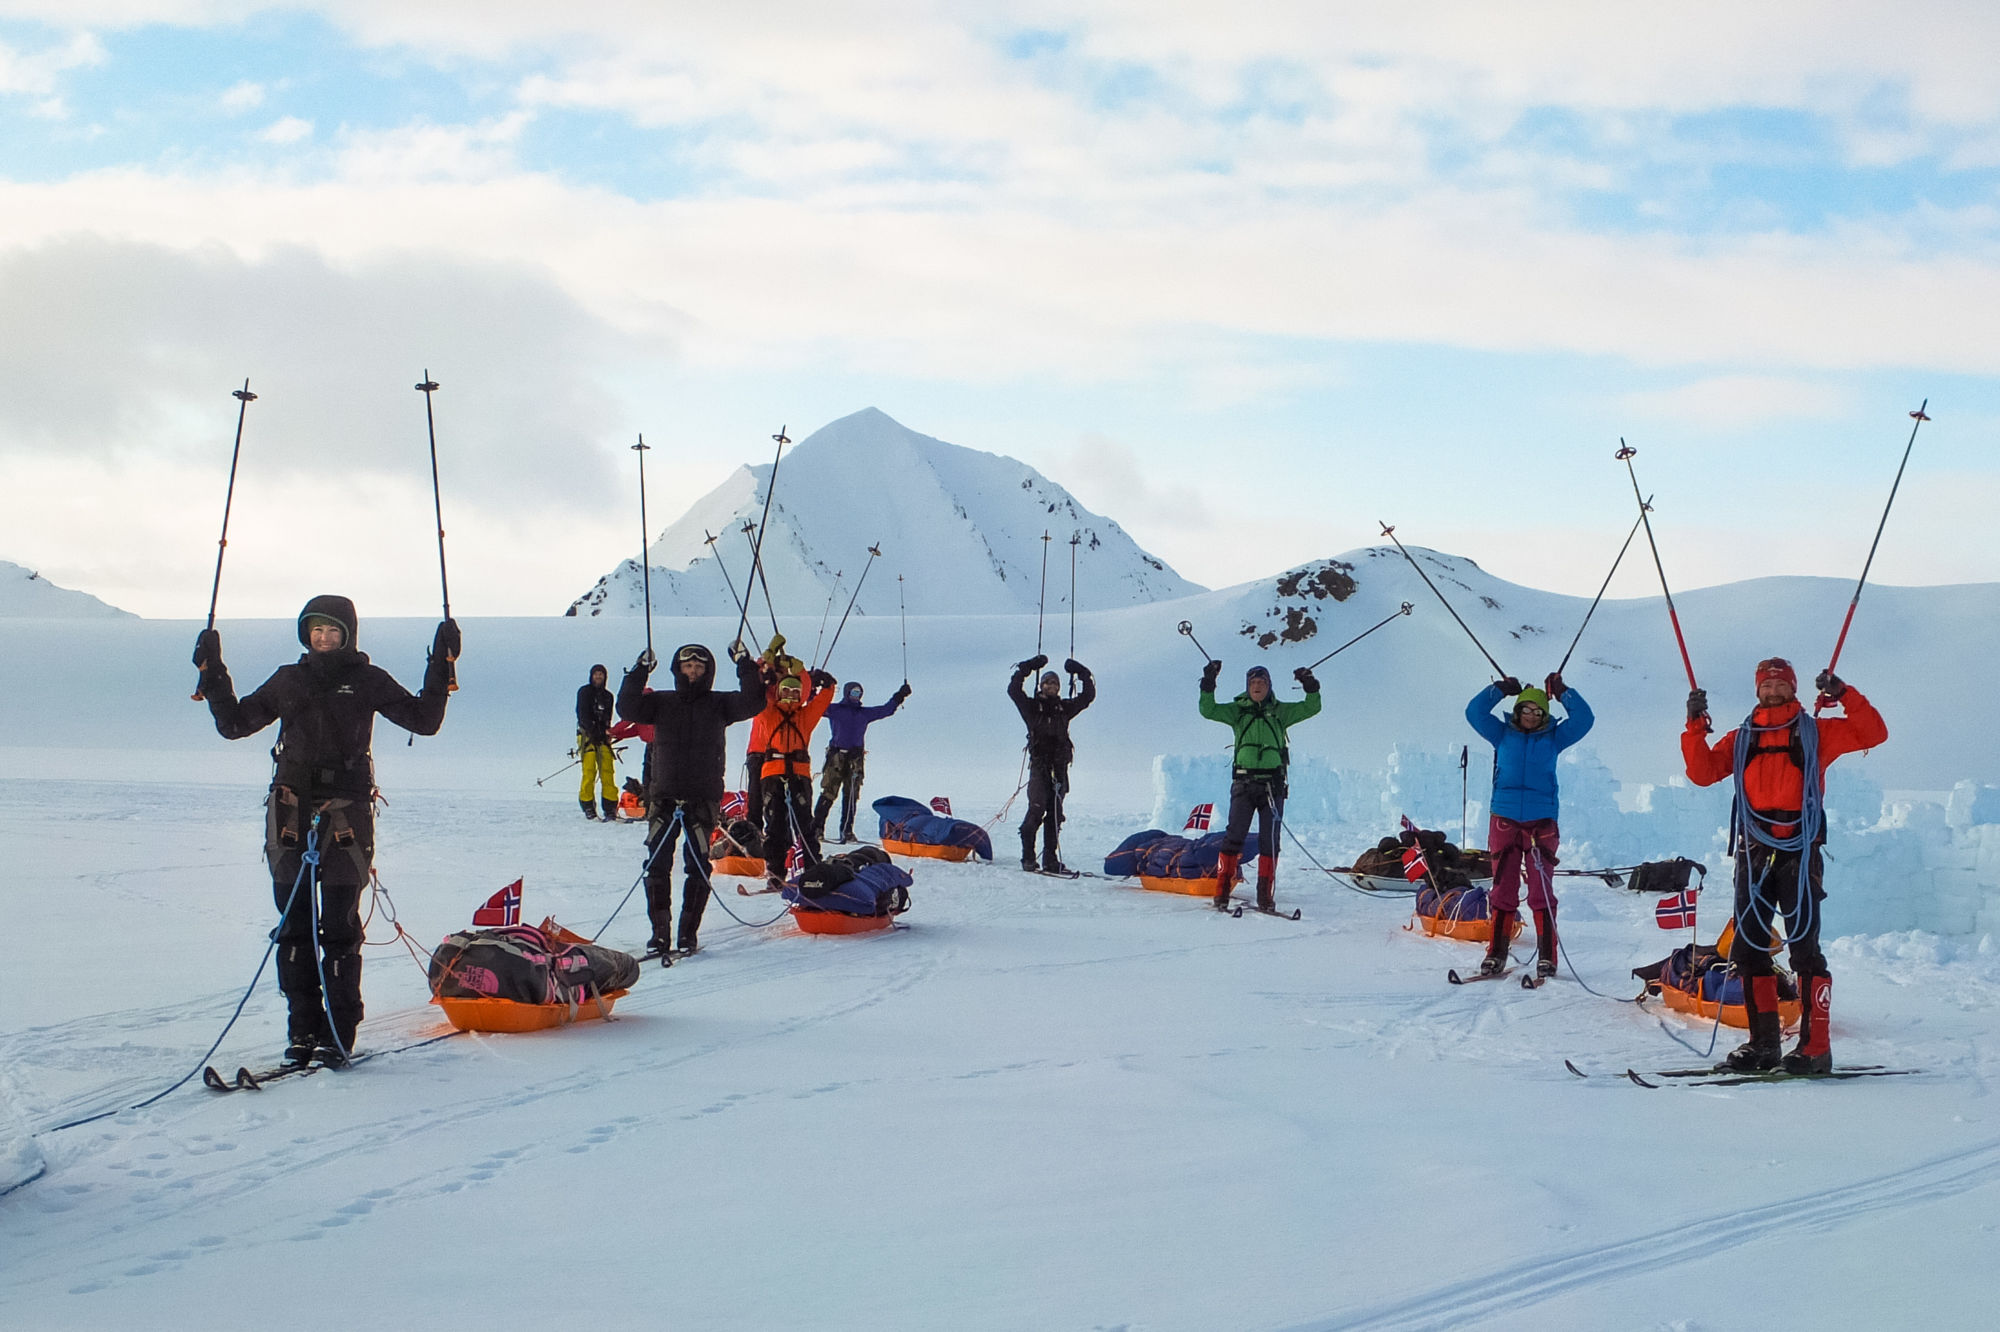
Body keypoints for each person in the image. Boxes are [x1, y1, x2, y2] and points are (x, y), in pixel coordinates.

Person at [193, 595, 457, 1066]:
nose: (323, 638)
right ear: (305, 634)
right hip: (289, 814)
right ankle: (301, 1033)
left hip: (346, 819)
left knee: (339, 929)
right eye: (315, 630)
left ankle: (337, 1033)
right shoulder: (288, 679)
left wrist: (441, 665)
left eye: (332, 631)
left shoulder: (367, 680)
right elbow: (234, 724)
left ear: (348, 634)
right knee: (293, 929)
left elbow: (425, 720)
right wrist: (214, 673)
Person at [1683, 658, 1886, 1072]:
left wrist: (1843, 693)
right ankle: (1763, 1046)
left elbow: (1874, 733)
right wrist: (1694, 728)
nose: (1773, 689)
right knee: (1748, 948)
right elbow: (1702, 773)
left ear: (1792, 688)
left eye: (1780, 683)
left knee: (1805, 951)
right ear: (1757, 690)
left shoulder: (1817, 732)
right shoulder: (1741, 738)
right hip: (1754, 852)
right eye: (1766, 683)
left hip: (1800, 849)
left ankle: (1816, 1049)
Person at [617, 641, 764, 959]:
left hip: (702, 798)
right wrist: (639, 671)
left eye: (699, 667)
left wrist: (744, 664)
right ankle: (659, 935)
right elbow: (627, 708)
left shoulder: (720, 703)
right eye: (688, 667)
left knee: (697, 867)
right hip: (664, 798)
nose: (693, 672)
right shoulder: (659, 703)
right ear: (677, 669)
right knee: (656, 866)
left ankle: (687, 935)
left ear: (708, 672)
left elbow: (754, 702)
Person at [1463, 672, 1594, 980]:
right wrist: (1498, 690)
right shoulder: (1501, 734)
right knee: (1503, 889)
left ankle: (1547, 956)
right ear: (1518, 710)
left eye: (1538, 711)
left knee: (1541, 890)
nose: (1532, 716)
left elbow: (1585, 719)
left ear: (1545, 715)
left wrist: (1564, 693)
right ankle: (1496, 952)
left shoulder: (1555, 738)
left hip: (1541, 824)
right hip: (1505, 821)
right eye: (1526, 709)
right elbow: (1474, 712)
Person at [1198, 661, 1322, 913]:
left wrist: (1309, 684)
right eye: (1253, 683)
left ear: (1269, 686)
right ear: (1247, 687)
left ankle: (1265, 896)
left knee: (1270, 842)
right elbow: (1207, 709)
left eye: (1262, 683)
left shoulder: (1280, 712)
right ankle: (1221, 892)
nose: (1257, 687)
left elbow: (1312, 707)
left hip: (1272, 787)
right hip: (1243, 784)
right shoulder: (1237, 711)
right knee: (1233, 838)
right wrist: (1208, 682)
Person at [748, 665, 838, 890]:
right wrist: (764, 681)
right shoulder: (768, 713)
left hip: (798, 776)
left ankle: (813, 872)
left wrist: (826, 682)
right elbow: (756, 697)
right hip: (772, 774)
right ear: (779, 693)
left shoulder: (806, 716)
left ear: (801, 694)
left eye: (795, 691)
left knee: (805, 825)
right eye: (786, 690)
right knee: (775, 827)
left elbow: (824, 698)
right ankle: (776, 874)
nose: (790, 695)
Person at [1007, 655, 1095, 873]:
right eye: (1047, 682)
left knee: (1055, 815)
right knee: (1036, 810)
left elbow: (1088, 697)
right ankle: (1028, 858)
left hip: (1059, 769)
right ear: (1041, 686)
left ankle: (1050, 860)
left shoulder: (1064, 709)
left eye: (1055, 683)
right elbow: (1014, 691)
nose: (1051, 686)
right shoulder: (1031, 708)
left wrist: (1082, 672)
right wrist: (1026, 668)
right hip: (1039, 768)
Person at [813, 680, 913, 844]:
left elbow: (886, 710)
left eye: (858, 693)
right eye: (853, 693)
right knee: (829, 792)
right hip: (836, 758)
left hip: (855, 758)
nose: (856, 696)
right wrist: (812, 688)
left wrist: (900, 696)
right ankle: (817, 829)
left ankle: (846, 831)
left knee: (851, 795)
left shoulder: (864, 713)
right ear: (846, 693)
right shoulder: (835, 710)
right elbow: (814, 706)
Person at [576, 664, 617, 821]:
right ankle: (587, 805)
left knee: (607, 771)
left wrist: (606, 733)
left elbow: (608, 716)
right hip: (587, 735)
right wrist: (592, 731)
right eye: (596, 674)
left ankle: (610, 807)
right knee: (589, 770)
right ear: (591, 676)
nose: (598, 677)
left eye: (601, 674)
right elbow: (582, 714)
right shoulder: (584, 692)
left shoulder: (608, 696)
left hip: (602, 737)